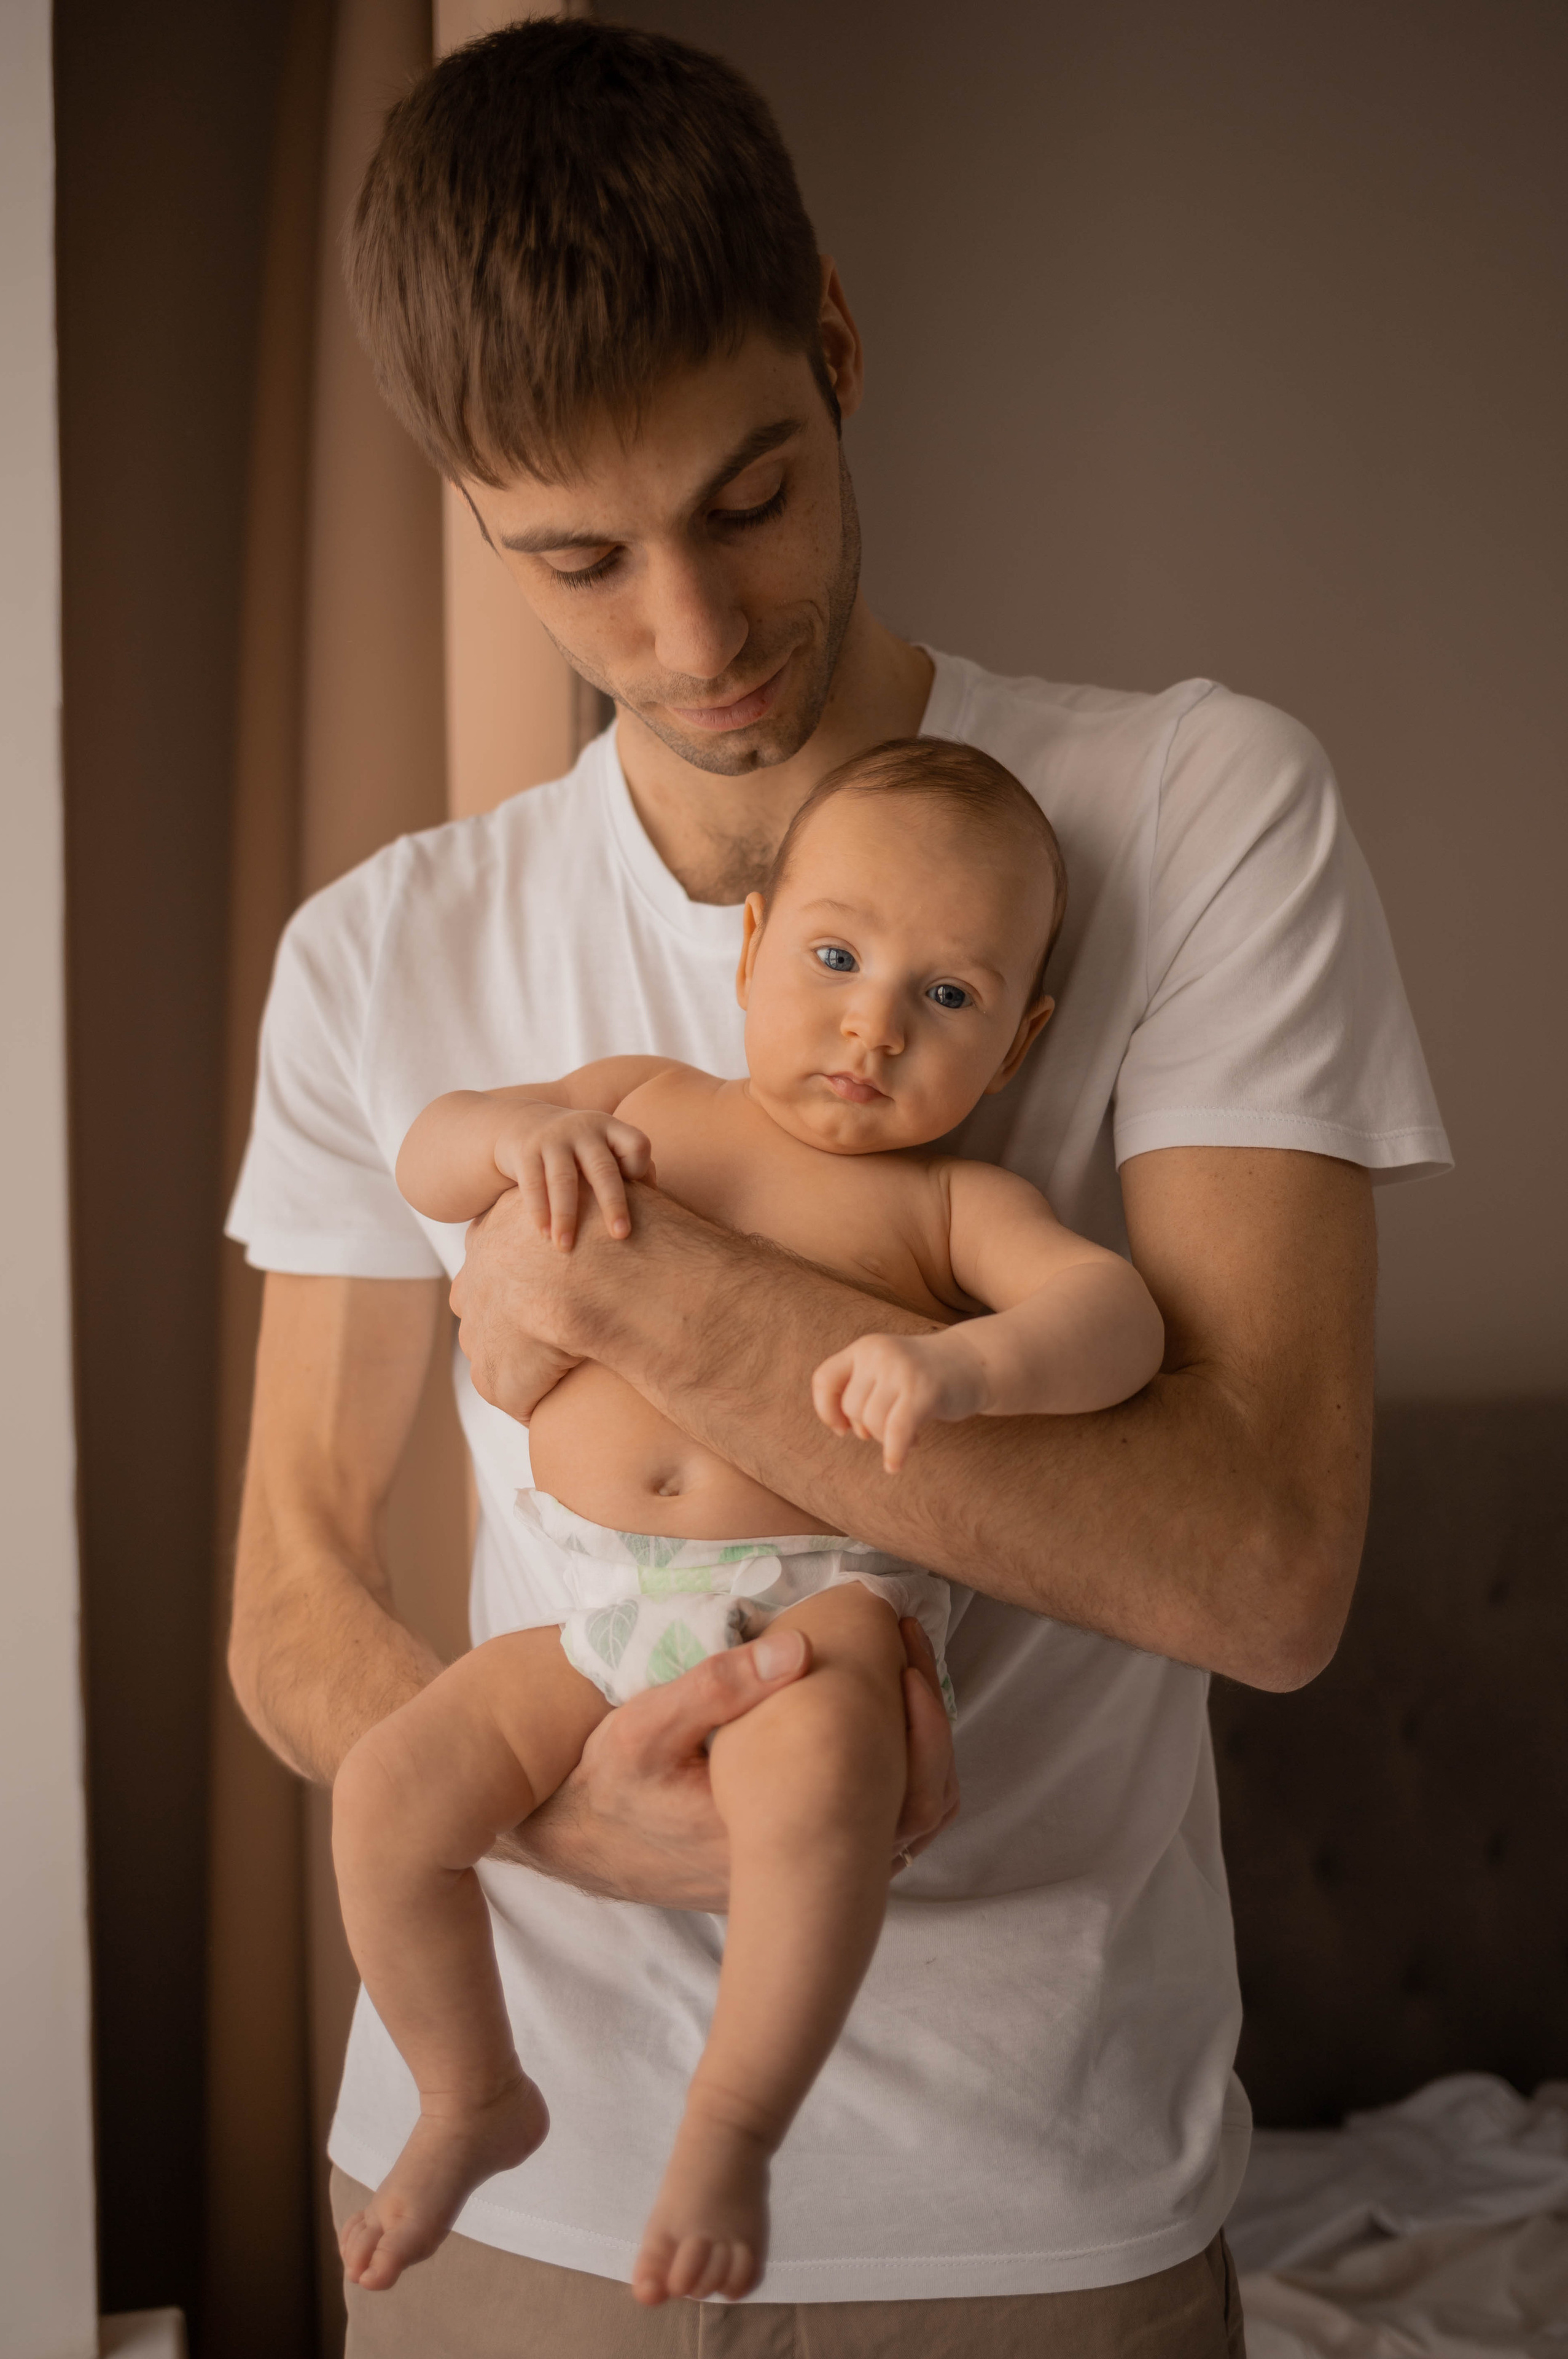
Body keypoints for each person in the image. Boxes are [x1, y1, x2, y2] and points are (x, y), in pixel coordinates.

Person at [225, 19, 1449, 2355]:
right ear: (467, 515)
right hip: (511, 2215)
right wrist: (567, 1816)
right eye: (576, 561)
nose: (689, 641)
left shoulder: (1182, 822)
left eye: (748, 498)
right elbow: (292, 1589)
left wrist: (617, 1281)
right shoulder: (384, 953)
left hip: (1032, 2206)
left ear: (840, 345)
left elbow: (1270, 1570)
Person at [331, 740, 1167, 2307]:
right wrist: (515, 1141)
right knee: (390, 1789)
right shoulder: (643, 1106)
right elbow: (426, 1150)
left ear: (1018, 1043)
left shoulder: (942, 1208)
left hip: (817, 1608)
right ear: (751, 945)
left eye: (946, 997)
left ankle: (730, 2126)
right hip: (598, 1610)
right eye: (837, 959)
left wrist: (966, 1365)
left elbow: (1109, 1316)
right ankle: (469, 2093)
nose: (870, 1023)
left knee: (818, 1781)